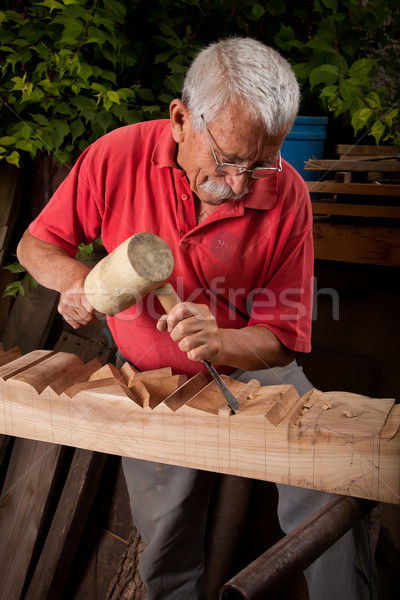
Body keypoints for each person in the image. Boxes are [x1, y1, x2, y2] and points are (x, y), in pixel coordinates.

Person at [17, 37, 376, 600]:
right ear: (181, 119)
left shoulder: (288, 197)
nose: (238, 184)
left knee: (326, 492)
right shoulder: (117, 155)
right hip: (152, 374)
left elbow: (281, 340)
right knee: (165, 539)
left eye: (260, 164)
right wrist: (73, 281)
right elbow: (36, 245)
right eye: (229, 161)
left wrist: (223, 340)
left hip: (252, 369)